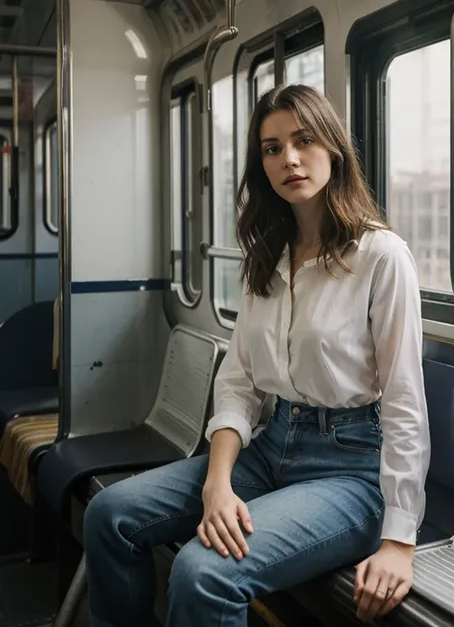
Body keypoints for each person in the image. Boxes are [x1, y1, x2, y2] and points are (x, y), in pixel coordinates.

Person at [84, 85, 430, 627]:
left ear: (333, 148)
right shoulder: (268, 257)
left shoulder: (381, 256)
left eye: (303, 140)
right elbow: (241, 384)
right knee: (110, 515)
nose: (288, 158)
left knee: (203, 573)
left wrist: (399, 542)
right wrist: (216, 483)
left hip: (352, 470)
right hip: (271, 450)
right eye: (271, 148)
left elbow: (406, 403)